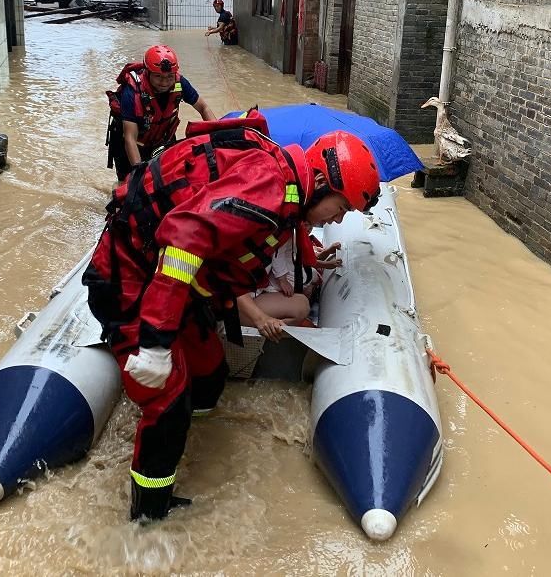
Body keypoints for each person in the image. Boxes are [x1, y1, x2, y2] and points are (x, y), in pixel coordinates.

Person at [82, 114, 381, 522]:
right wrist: (154, 344)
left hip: (173, 282)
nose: (338, 220)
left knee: (208, 370)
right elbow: (184, 237)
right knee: (167, 401)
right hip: (130, 278)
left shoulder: (288, 193)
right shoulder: (270, 184)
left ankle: (194, 442)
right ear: (325, 183)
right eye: (342, 207)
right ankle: (148, 519)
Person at [105, 45, 217, 181]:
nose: (164, 82)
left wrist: (217, 137)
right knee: (128, 184)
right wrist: (139, 176)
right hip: (130, 144)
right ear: (147, 72)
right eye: (158, 76)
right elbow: (130, 138)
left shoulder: (180, 83)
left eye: (169, 77)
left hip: (163, 139)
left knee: (170, 178)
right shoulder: (132, 92)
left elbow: (203, 108)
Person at [238, 225, 342, 334]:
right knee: (302, 307)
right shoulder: (283, 237)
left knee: (303, 300)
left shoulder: (292, 237)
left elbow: (308, 258)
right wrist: (262, 320)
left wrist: (327, 254)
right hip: (244, 303)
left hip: (255, 294)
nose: (336, 220)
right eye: (307, 224)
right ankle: (276, 329)